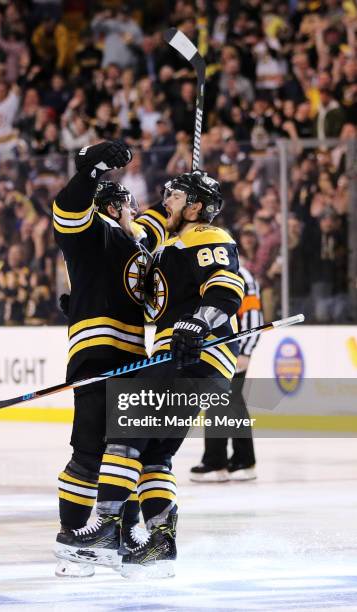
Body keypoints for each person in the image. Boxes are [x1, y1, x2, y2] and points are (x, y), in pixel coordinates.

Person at [59, 170, 244, 578]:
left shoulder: (204, 236)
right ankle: (160, 545)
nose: (167, 202)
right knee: (155, 454)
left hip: (194, 357)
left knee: (124, 430)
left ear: (195, 207)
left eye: (176, 197)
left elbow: (227, 288)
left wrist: (200, 322)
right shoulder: (169, 246)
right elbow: (147, 296)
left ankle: (106, 531)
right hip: (185, 363)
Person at [52, 140, 167, 577]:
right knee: (90, 454)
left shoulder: (131, 240)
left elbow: (159, 222)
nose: (137, 212)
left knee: (124, 455)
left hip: (135, 361)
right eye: (129, 205)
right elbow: (66, 209)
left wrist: (184, 194)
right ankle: (78, 537)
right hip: (99, 356)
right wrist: (89, 170)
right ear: (115, 205)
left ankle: (120, 538)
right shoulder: (93, 230)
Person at [190, 264, 263, 482]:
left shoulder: (241, 275)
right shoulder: (217, 271)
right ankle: (241, 460)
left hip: (234, 351)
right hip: (221, 350)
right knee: (229, 402)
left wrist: (246, 351)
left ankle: (217, 462)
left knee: (222, 401)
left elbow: (252, 316)